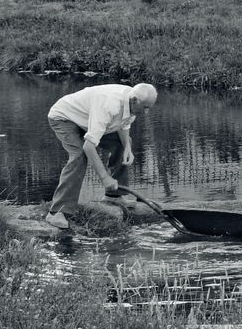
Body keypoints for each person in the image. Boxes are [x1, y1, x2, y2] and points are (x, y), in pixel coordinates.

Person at [45, 83, 158, 229]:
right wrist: (105, 177)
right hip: (65, 117)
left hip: (87, 120)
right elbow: (89, 146)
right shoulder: (109, 105)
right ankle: (56, 212)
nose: (147, 112)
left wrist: (128, 148)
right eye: (145, 108)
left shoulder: (133, 102)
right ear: (135, 100)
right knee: (79, 155)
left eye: (149, 107)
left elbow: (123, 126)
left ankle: (114, 196)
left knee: (123, 143)